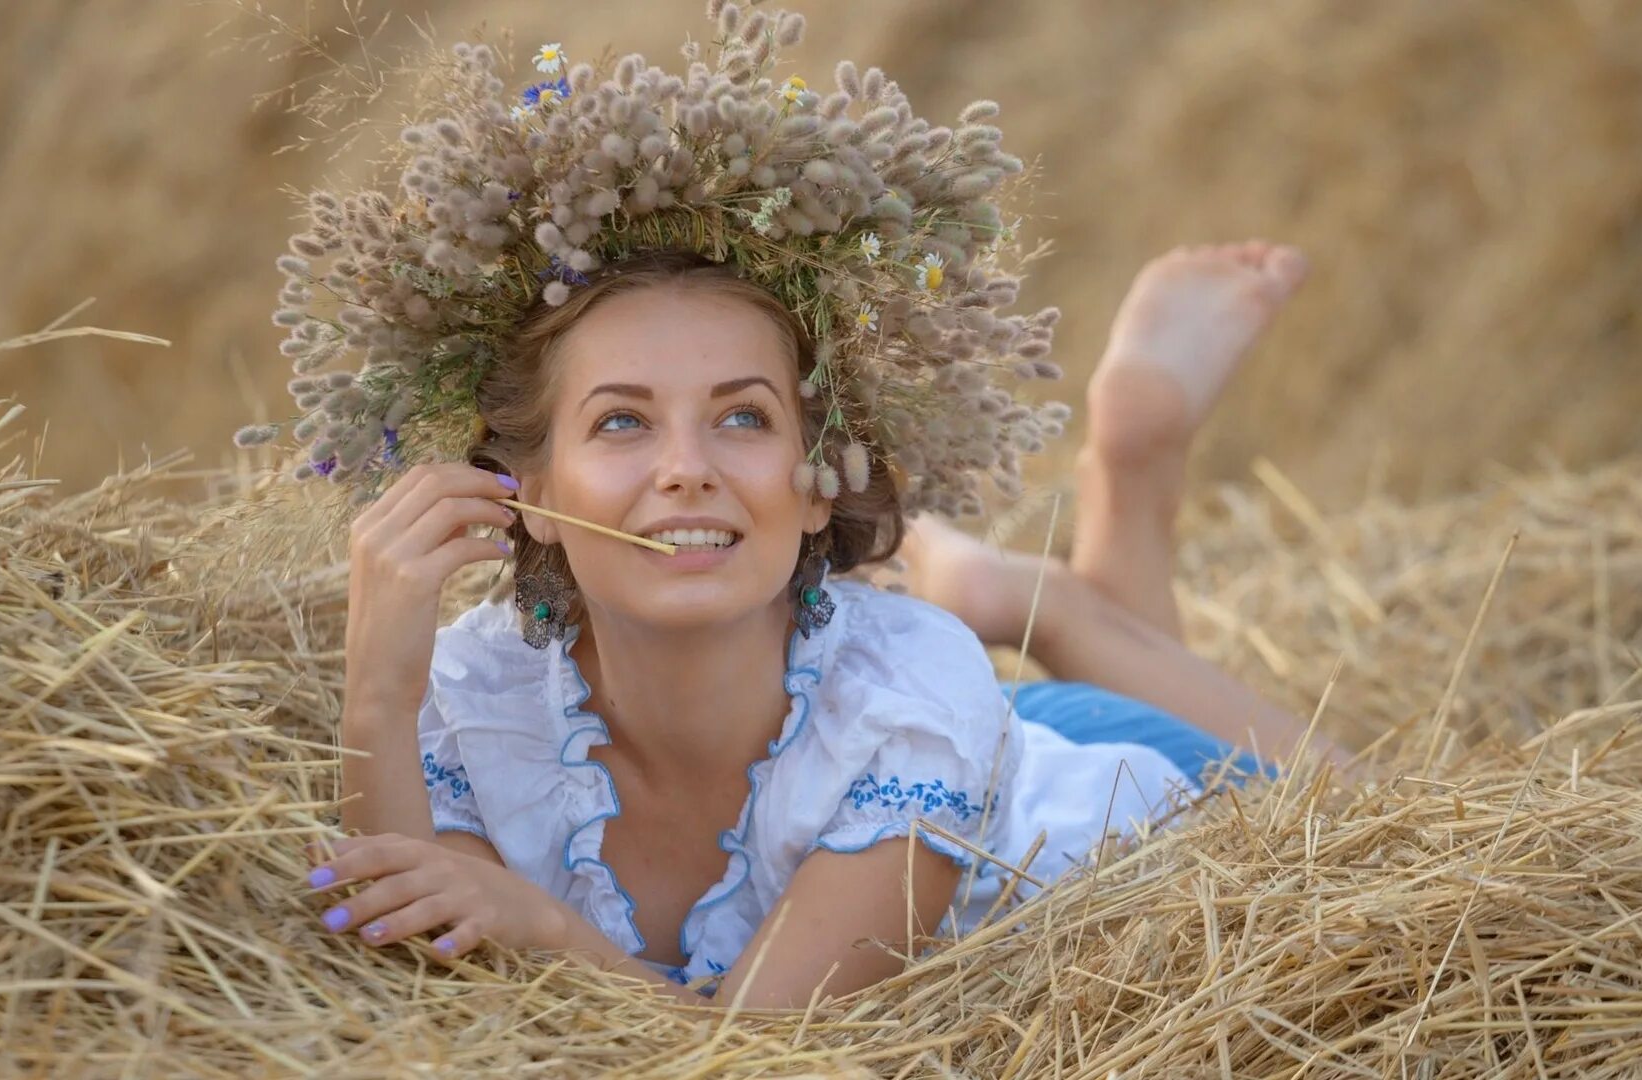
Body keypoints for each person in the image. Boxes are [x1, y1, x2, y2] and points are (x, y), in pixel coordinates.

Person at [237, 15, 1328, 1008]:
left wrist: (544, 928)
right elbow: (417, 977)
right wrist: (377, 697)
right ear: (535, 498)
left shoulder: (910, 714)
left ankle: (1082, 548)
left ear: (816, 488)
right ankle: (1034, 575)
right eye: (621, 424)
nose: (686, 470)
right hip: (934, 741)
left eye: (744, 419)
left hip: (1076, 792)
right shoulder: (476, 703)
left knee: (1367, 809)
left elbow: (767, 1052)